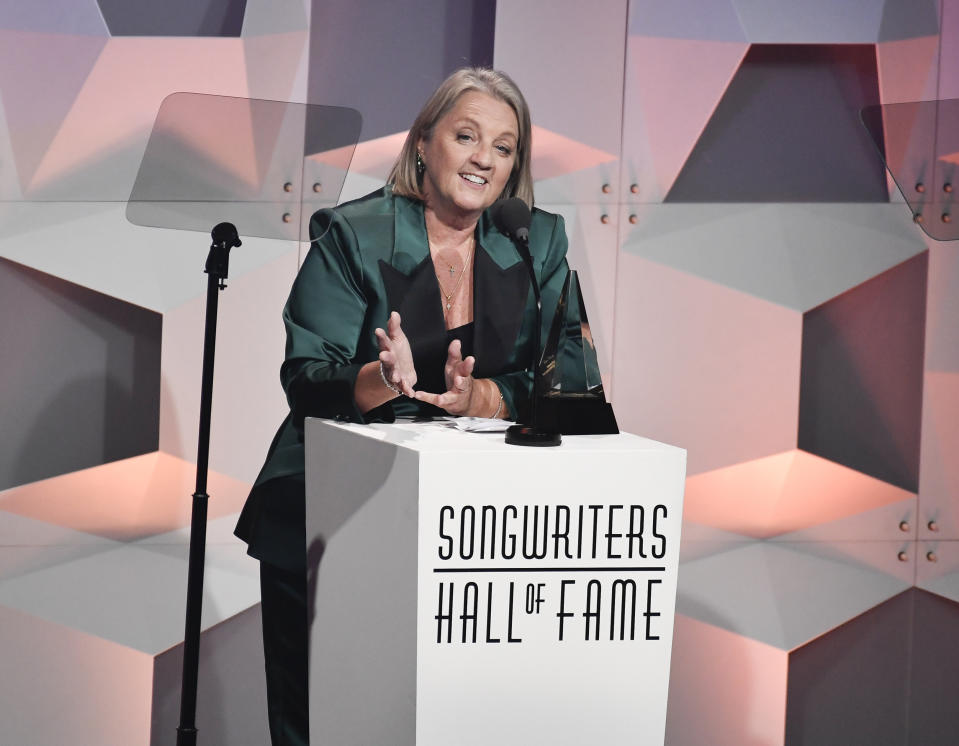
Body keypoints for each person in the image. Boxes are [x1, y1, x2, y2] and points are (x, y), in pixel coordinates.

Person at [235, 67, 570, 746]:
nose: (484, 158)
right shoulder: (355, 234)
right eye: (467, 135)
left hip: (472, 527)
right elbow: (307, 376)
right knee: (327, 724)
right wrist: (384, 380)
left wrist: (481, 397)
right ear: (423, 143)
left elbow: (572, 385)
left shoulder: (536, 243)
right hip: (333, 507)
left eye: (504, 148)